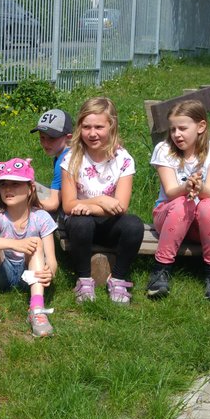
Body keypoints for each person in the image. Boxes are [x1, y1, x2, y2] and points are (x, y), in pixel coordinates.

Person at [60, 97, 144, 303]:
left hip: (109, 222)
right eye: (86, 127)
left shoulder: (123, 159)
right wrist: (100, 200)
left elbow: (120, 206)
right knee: (81, 223)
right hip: (79, 224)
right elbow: (69, 205)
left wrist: (88, 206)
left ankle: (118, 278)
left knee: (134, 225)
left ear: (111, 126)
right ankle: (84, 279)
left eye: (99, 127)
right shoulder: (72, 158)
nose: (92, 133)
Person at [147, 99, 210, 302]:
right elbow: (170, 192)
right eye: (173, 129)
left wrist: (200, 188)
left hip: (200, 223)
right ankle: (161, 269)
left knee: (209, 206)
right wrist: (186, 188)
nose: (176, 134)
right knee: (181, 203)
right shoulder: (164, 149)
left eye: (182, 128)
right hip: (169, 215)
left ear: (201, 126)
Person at [0, 158, 59, 337]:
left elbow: (52, 260)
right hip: (3, 274)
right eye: (3, 184)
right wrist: (14, 244)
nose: (8, 189)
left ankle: (37, 309)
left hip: (31, 277)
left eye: (15, 184)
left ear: (30, 189)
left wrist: (50, 272)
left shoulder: (42, 217)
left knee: (36, 243)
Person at [30, 108, 72, 214]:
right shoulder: (66, 153)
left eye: (52, 138)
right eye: (42, 137)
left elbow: (53, 204)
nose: (45, 143)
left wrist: (23, 203)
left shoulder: (64, 161)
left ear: (68, 137)